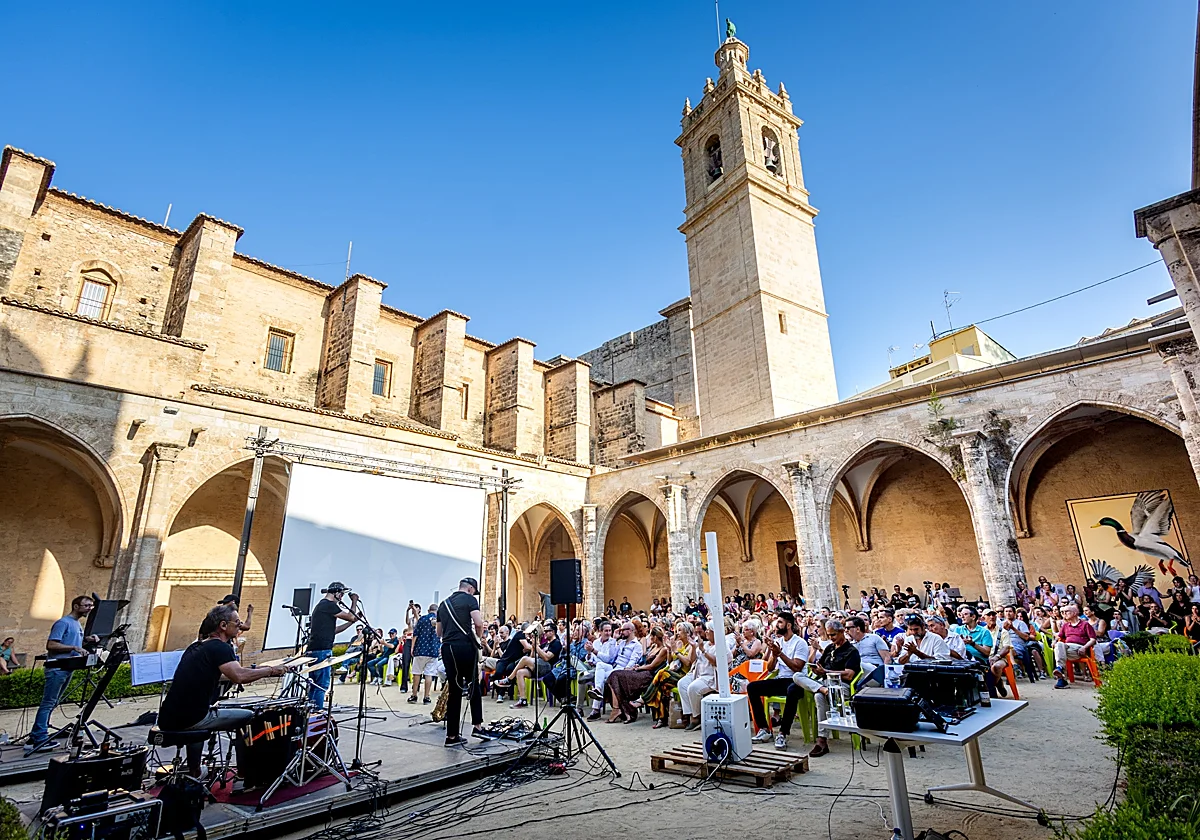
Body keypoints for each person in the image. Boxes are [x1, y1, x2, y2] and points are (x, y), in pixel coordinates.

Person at [159, 604, 286, 775]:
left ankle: (194, 770)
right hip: (192, 718)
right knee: (251, 716)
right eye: (237, 623)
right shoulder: (220, 647)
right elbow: (239, 676)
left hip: (169, 716)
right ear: (223, 626)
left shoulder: (197, 646)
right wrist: (270, 670)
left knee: (199, 719)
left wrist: (252, 670)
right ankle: (251, 771)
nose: (240, 626)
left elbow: (223, 673)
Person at [25, 595, 100, 754]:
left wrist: (87, 640)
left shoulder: (76, 624)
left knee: (53, 703)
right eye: (86, 605)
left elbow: (73, 642)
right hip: (57, 669)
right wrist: (73, 647)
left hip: (67, 668)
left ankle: (36, 734)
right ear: (76, 606)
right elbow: (51, 644)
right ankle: (39, 737)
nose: (89, 609)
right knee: (48, 703)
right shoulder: (63, 622)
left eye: (91, 606)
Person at [792, 619, 861, 758]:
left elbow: (849, 675)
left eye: (833, 635)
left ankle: (821, 740)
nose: (831, 638)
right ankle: (823, 690)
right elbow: (821, 667)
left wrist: (826, 672)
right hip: (824, 684)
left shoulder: (851, 651)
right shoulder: (830, 648)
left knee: (818, 696)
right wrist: (817, 670)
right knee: (797, 676)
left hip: (841, 686)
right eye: (829, 635)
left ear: (842, 632)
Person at [748, 612, 810, 749]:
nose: (777, 625)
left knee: (792, 690)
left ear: (788, 625)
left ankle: (783, 733)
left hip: (797, 681)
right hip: (781, 679)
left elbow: (797, 668)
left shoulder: (800, 643)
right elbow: (770, 669)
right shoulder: (778, 642)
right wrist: (774, 655)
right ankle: (764, 729)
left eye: (780, 622)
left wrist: (780, 653)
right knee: (752, 687)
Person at [436, 577, 486, 747]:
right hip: (464, 646)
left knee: (454, 690)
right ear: (471, 589)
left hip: (448, 648)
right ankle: (477, 726)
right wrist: (478, 637)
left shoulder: (443, 604)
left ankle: (452, 736)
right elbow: (479, 623)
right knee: (473, 684)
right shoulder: (470, 600)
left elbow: (439, 632)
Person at [307, 582, 360, 710]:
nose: (341, 598)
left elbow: (333, 630)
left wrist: (351, 624)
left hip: (315, 649)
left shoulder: (322, 606)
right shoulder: (328, 605)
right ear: (336, 593)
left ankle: (311, 712)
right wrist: (354, 601)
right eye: (341, 595)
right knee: (322, 685)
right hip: (322, 651)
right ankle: (317, 713)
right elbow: (351, 616)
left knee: (315, 685)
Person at [606, 626, 666, 723]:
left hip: (649, 675)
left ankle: (622, 710)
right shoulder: (654, 647)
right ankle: (621, 710)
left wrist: (637, 668)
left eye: (651, 636)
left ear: (655, 637)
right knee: (614, 676)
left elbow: (652, 666)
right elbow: (646, 662)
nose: (650, 638)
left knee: (616, 676)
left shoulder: (663, 650)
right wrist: (638, 666)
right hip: (642, 671)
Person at [498, 621, 562, 709]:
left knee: (524, 659)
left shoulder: (556, 643)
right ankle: (523, 700)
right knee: (520, 672)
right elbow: (532, 657)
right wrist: (533, 646)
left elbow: (547, 658)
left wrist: (537, 647)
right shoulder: (545, 644)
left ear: (553, 632)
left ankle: (509, 679)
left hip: (548, 668)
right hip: (538, 666)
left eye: (547, 631)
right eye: (545, 631)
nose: (545, 633)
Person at [586, 622, 641, 720]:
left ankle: (596, 709)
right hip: (614, 666)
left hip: (622, 670)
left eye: (623, 630)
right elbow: (611, 657)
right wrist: (614, 639)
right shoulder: (622, 642)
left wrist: (626, 669)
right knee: (600, 665)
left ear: (631, 630)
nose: (621, 632)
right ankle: (597, 689)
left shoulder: (637, 645)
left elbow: (633, 660)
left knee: (602, 678)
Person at [677, 624, 719, 731]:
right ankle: (691, 713)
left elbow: (715, 662)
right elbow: (692, 661)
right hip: (697, 673)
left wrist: (703, 650)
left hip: (710, 676)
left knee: (693, 688)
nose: (705, 633)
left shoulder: (719, 646)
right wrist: (694, 647)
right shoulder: (703, 644)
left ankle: (695, 718)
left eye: (708, 630)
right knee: (682, 684)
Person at [1052, 604, 1097, 689]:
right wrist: (1054, 641)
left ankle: (1061, 677)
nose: (1064, 614)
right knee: (1059, 645)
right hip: (1067, 649)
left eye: (1067, 611)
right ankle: (1060, 670)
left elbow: (1093, 639)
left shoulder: (1085, 624)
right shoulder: (1065, 625)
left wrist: (1084, 647)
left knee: (1060, 651)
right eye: (1063, 612)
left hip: (1079, 649)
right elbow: (1059, 637)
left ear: (1075, 613)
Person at [409, 603, 441, 705]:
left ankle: (414, 696)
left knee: (417, 673)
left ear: (428, 610)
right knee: (429, 674)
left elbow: (416, 634)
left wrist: (412, 647)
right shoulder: (440, 621)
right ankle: (426, 697)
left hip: (420, 649)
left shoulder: (422, 619)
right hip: (433, 651)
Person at [846, 616, 891, 685]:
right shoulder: (850, 645)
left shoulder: (874, 638)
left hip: (875, 670)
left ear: (857, 629)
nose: (846, 630)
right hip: (859, 673)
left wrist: (886, 677)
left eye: (848, 628)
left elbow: (887, 658)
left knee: (856, 664)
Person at [1002, 605, 1038, 682]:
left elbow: (1026, 637)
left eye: (1010, 611)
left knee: (1008, 647)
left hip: (1017, 645)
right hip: (1003, 645)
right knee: (1006, 647)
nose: (1008, 613)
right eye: (1006, 611)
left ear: (1014, 613)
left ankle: (1013, 669)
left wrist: (1013, 628)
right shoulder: (1001, 624)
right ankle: (1014, 665)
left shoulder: (1020, 623)